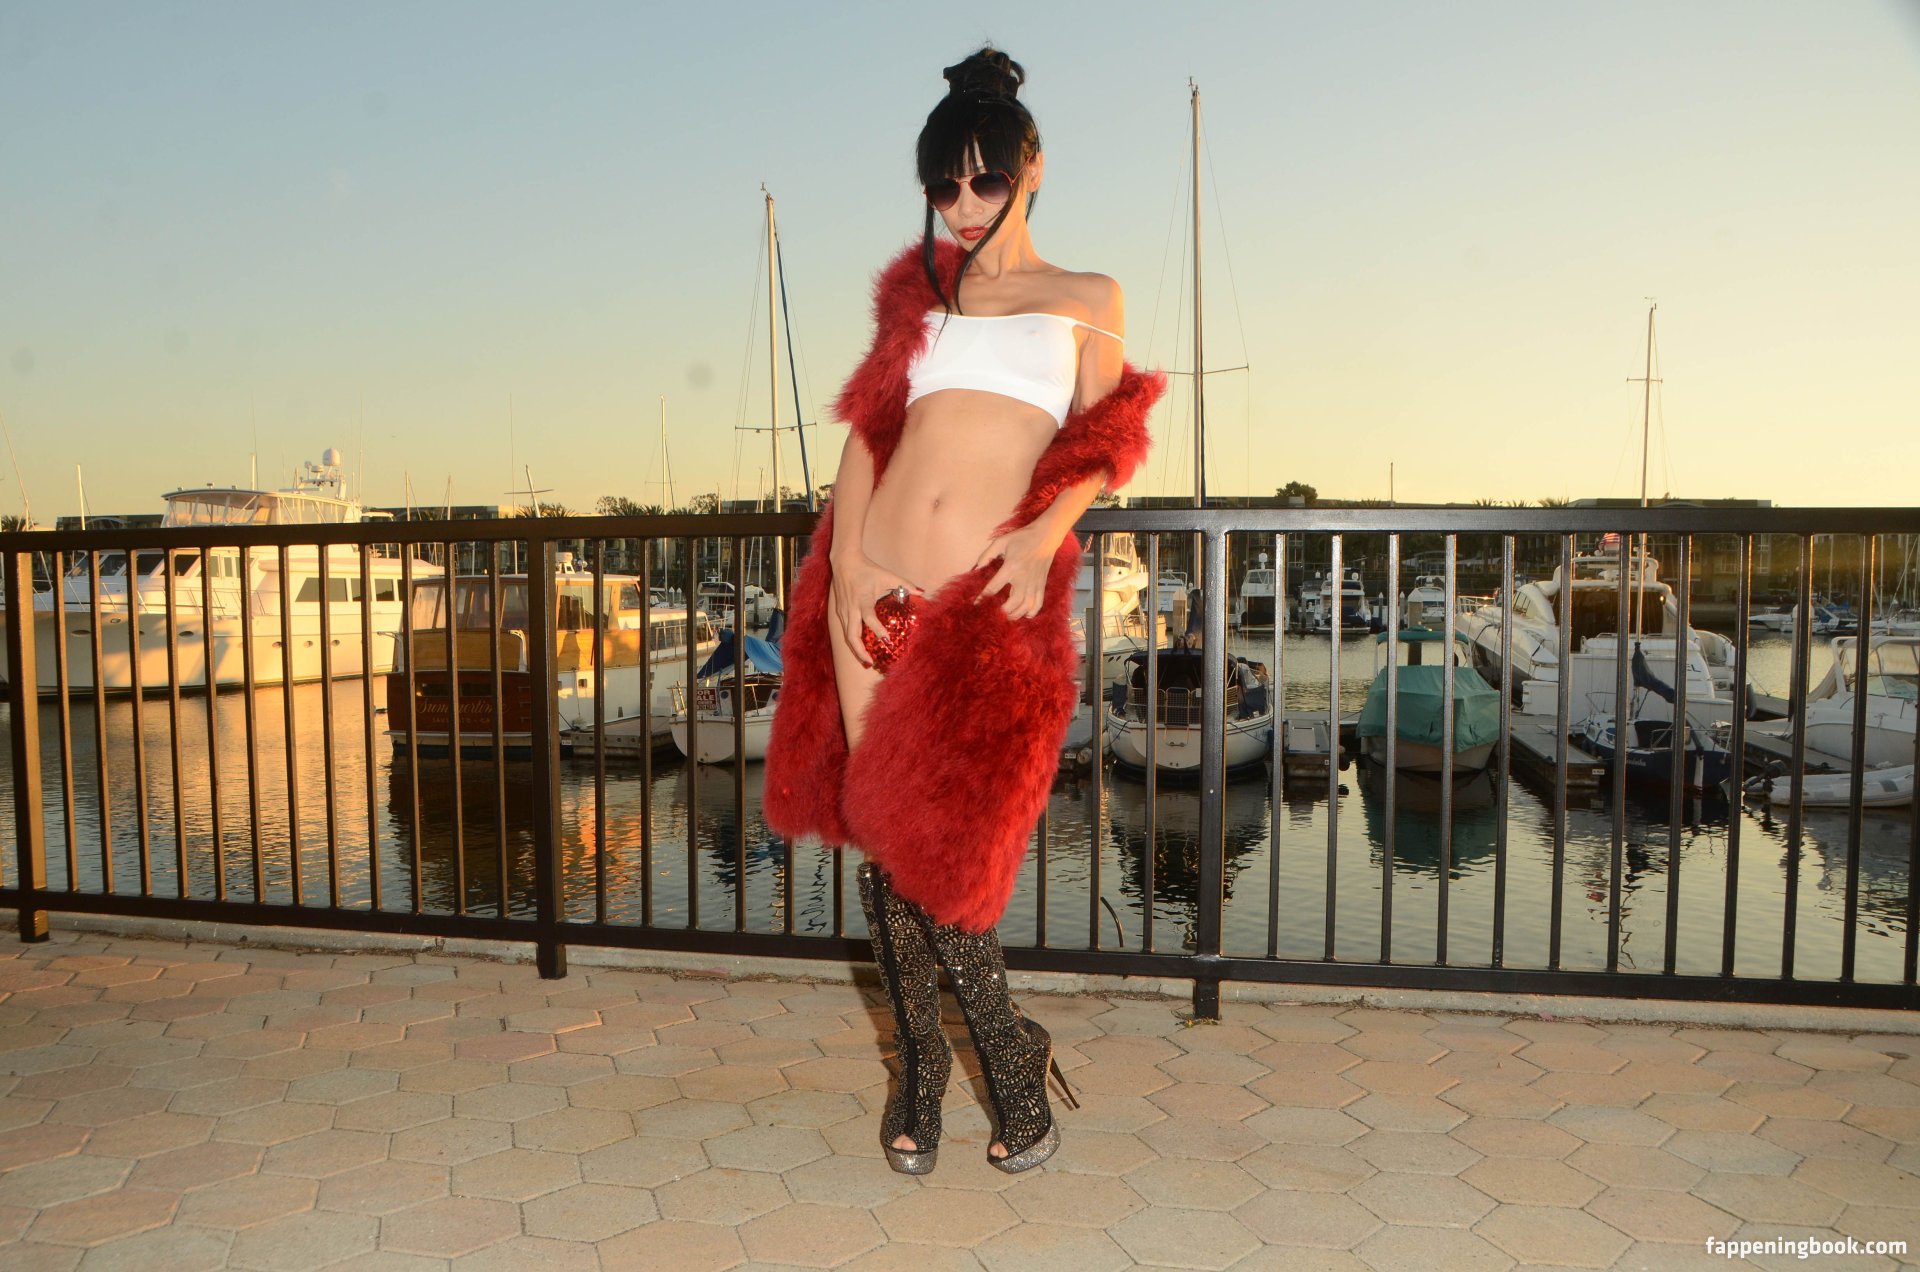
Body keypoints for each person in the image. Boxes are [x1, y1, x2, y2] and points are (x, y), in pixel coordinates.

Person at [762, 46, 1165, 1175]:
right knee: (887, 838)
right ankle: (924, 1073)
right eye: (945, 185)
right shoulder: (923, 292)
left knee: (947, 842)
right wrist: (845, 564)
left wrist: (1040, 536)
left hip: (978, 603)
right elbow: (869, 431)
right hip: (874, 576)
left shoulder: (1088, 299)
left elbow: (1108, 441)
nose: (965, 204)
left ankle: (1002, 1051)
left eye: (985, 179)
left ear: (1031, 168)